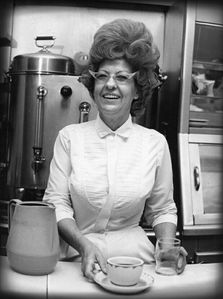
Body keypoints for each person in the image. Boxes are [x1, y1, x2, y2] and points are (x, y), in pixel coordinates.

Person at [43, 18, 185, 282]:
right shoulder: (69, 138)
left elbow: (163, 208)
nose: (110, 84)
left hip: (136, 261)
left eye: (121, 77)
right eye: (102, 77)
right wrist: (85, 245)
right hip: (74, 258)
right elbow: (56, 203)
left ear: (137, 90)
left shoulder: (155, 143)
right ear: (92, 84)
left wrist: (167, 247)